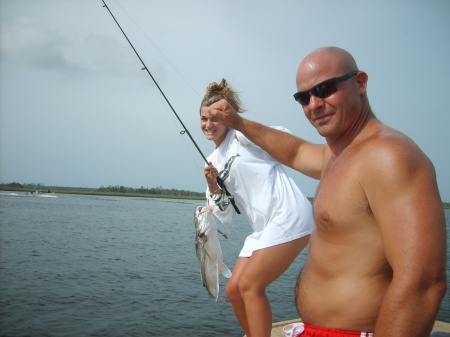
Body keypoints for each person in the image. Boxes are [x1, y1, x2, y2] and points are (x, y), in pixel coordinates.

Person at [207, 47, 447, 337]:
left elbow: (422, 283)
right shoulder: (337, 156)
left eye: (325, 89)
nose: (314, 104)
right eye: (303, 97)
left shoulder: (388, 155)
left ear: (360, 83)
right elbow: (294, 152)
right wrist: (238, 123)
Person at [199, 79, 314, 337]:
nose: (209, 125)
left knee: (251, 286)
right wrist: (213, 185)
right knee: (234, 290)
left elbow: (286, 141)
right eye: (204, 118)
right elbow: (226, 216)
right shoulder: (211, 161)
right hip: (262, 228)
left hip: (289, 214)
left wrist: (241, 123)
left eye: (215, 118)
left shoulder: (242, 137)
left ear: (227, 117)